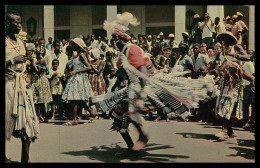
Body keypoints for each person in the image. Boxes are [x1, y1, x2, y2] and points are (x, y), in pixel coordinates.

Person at [104, 12, 149, 151]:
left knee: (130, 110)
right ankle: (131, 147)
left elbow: (142, 70)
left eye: (114, 38)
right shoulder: (123, 53)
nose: (112, 41)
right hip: (132, 85)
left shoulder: (132, 49)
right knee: (118, 116)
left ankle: (142, 136)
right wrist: (115, 87)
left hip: (143, 84)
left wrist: (142, 91)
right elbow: (122, 73)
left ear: (118, 38)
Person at [5, 10, 40, 163]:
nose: (19, 25)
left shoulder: (22, 42)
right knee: (7, 121)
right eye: (16, 22)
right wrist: (12, 60)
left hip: (22, 87)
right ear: (7, 24)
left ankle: (25, 159)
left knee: (28, 122)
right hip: (8, 85)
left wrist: (34, 66)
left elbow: (30, 63)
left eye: (20, 22)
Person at [214, 31, 254, 139]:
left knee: (228, 103)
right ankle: (230, 130)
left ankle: (224, 130)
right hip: (225, 81)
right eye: (223, 40)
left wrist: (233, 55)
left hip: (235, 82)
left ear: (231, 40)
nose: (225, 42)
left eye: (227, 39)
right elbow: (219, 65)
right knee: (223, 104)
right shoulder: (222, 51)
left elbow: (247, 57)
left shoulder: (236, 47)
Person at [62, 38, 95, 126]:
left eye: (73, 45)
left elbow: (89, 67)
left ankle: (74, 119)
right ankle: (91, 112)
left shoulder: (81, 55)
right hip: (75, 77)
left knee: (74, 99)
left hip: (79, 77)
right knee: (77, 99)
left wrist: (76, 71)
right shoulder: (76, 55)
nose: (71, 46)